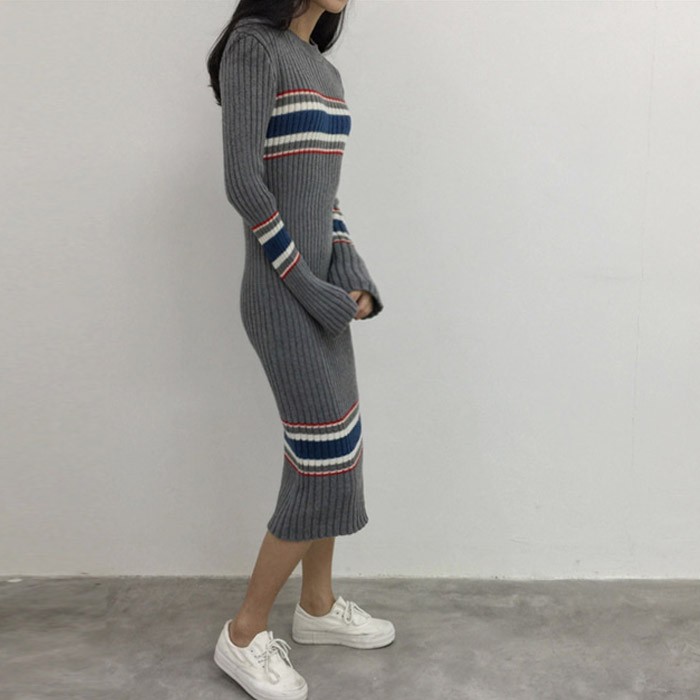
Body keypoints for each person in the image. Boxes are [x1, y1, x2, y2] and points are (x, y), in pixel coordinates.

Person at [206, 1, 394, 698]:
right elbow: (244, 183)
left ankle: (316, 606)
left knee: (340, 448)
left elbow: (324, 198)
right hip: (280, 297)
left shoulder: (324, 70)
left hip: (321, 295)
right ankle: (244, 633)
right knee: (321, 464)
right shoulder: (253, 49)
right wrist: (305, 283)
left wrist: (351, 276)